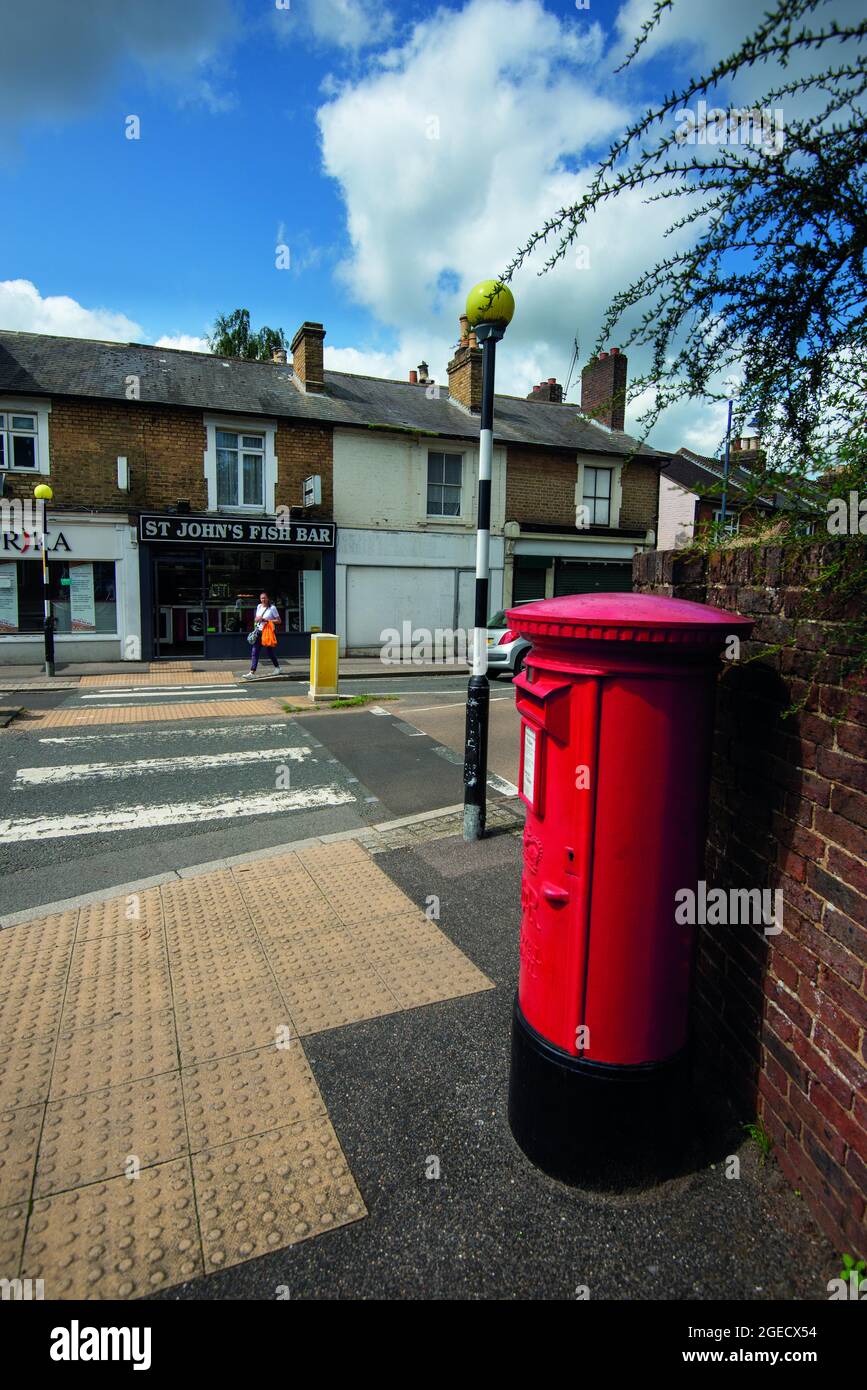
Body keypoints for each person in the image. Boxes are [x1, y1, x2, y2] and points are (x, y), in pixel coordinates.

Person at [241, 591, 283, 678]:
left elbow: (279, 621)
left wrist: (265, 620)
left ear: (268, 599)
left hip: (267, 633)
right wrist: (257, 619)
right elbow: (257, 618)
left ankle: (278, 668)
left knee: (269, 652)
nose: (263, 599)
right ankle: (252, 672)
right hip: (259, 631)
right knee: (255, 651)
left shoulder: (272, 608)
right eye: (261, 598)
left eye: (264, 598)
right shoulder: (259, 606)